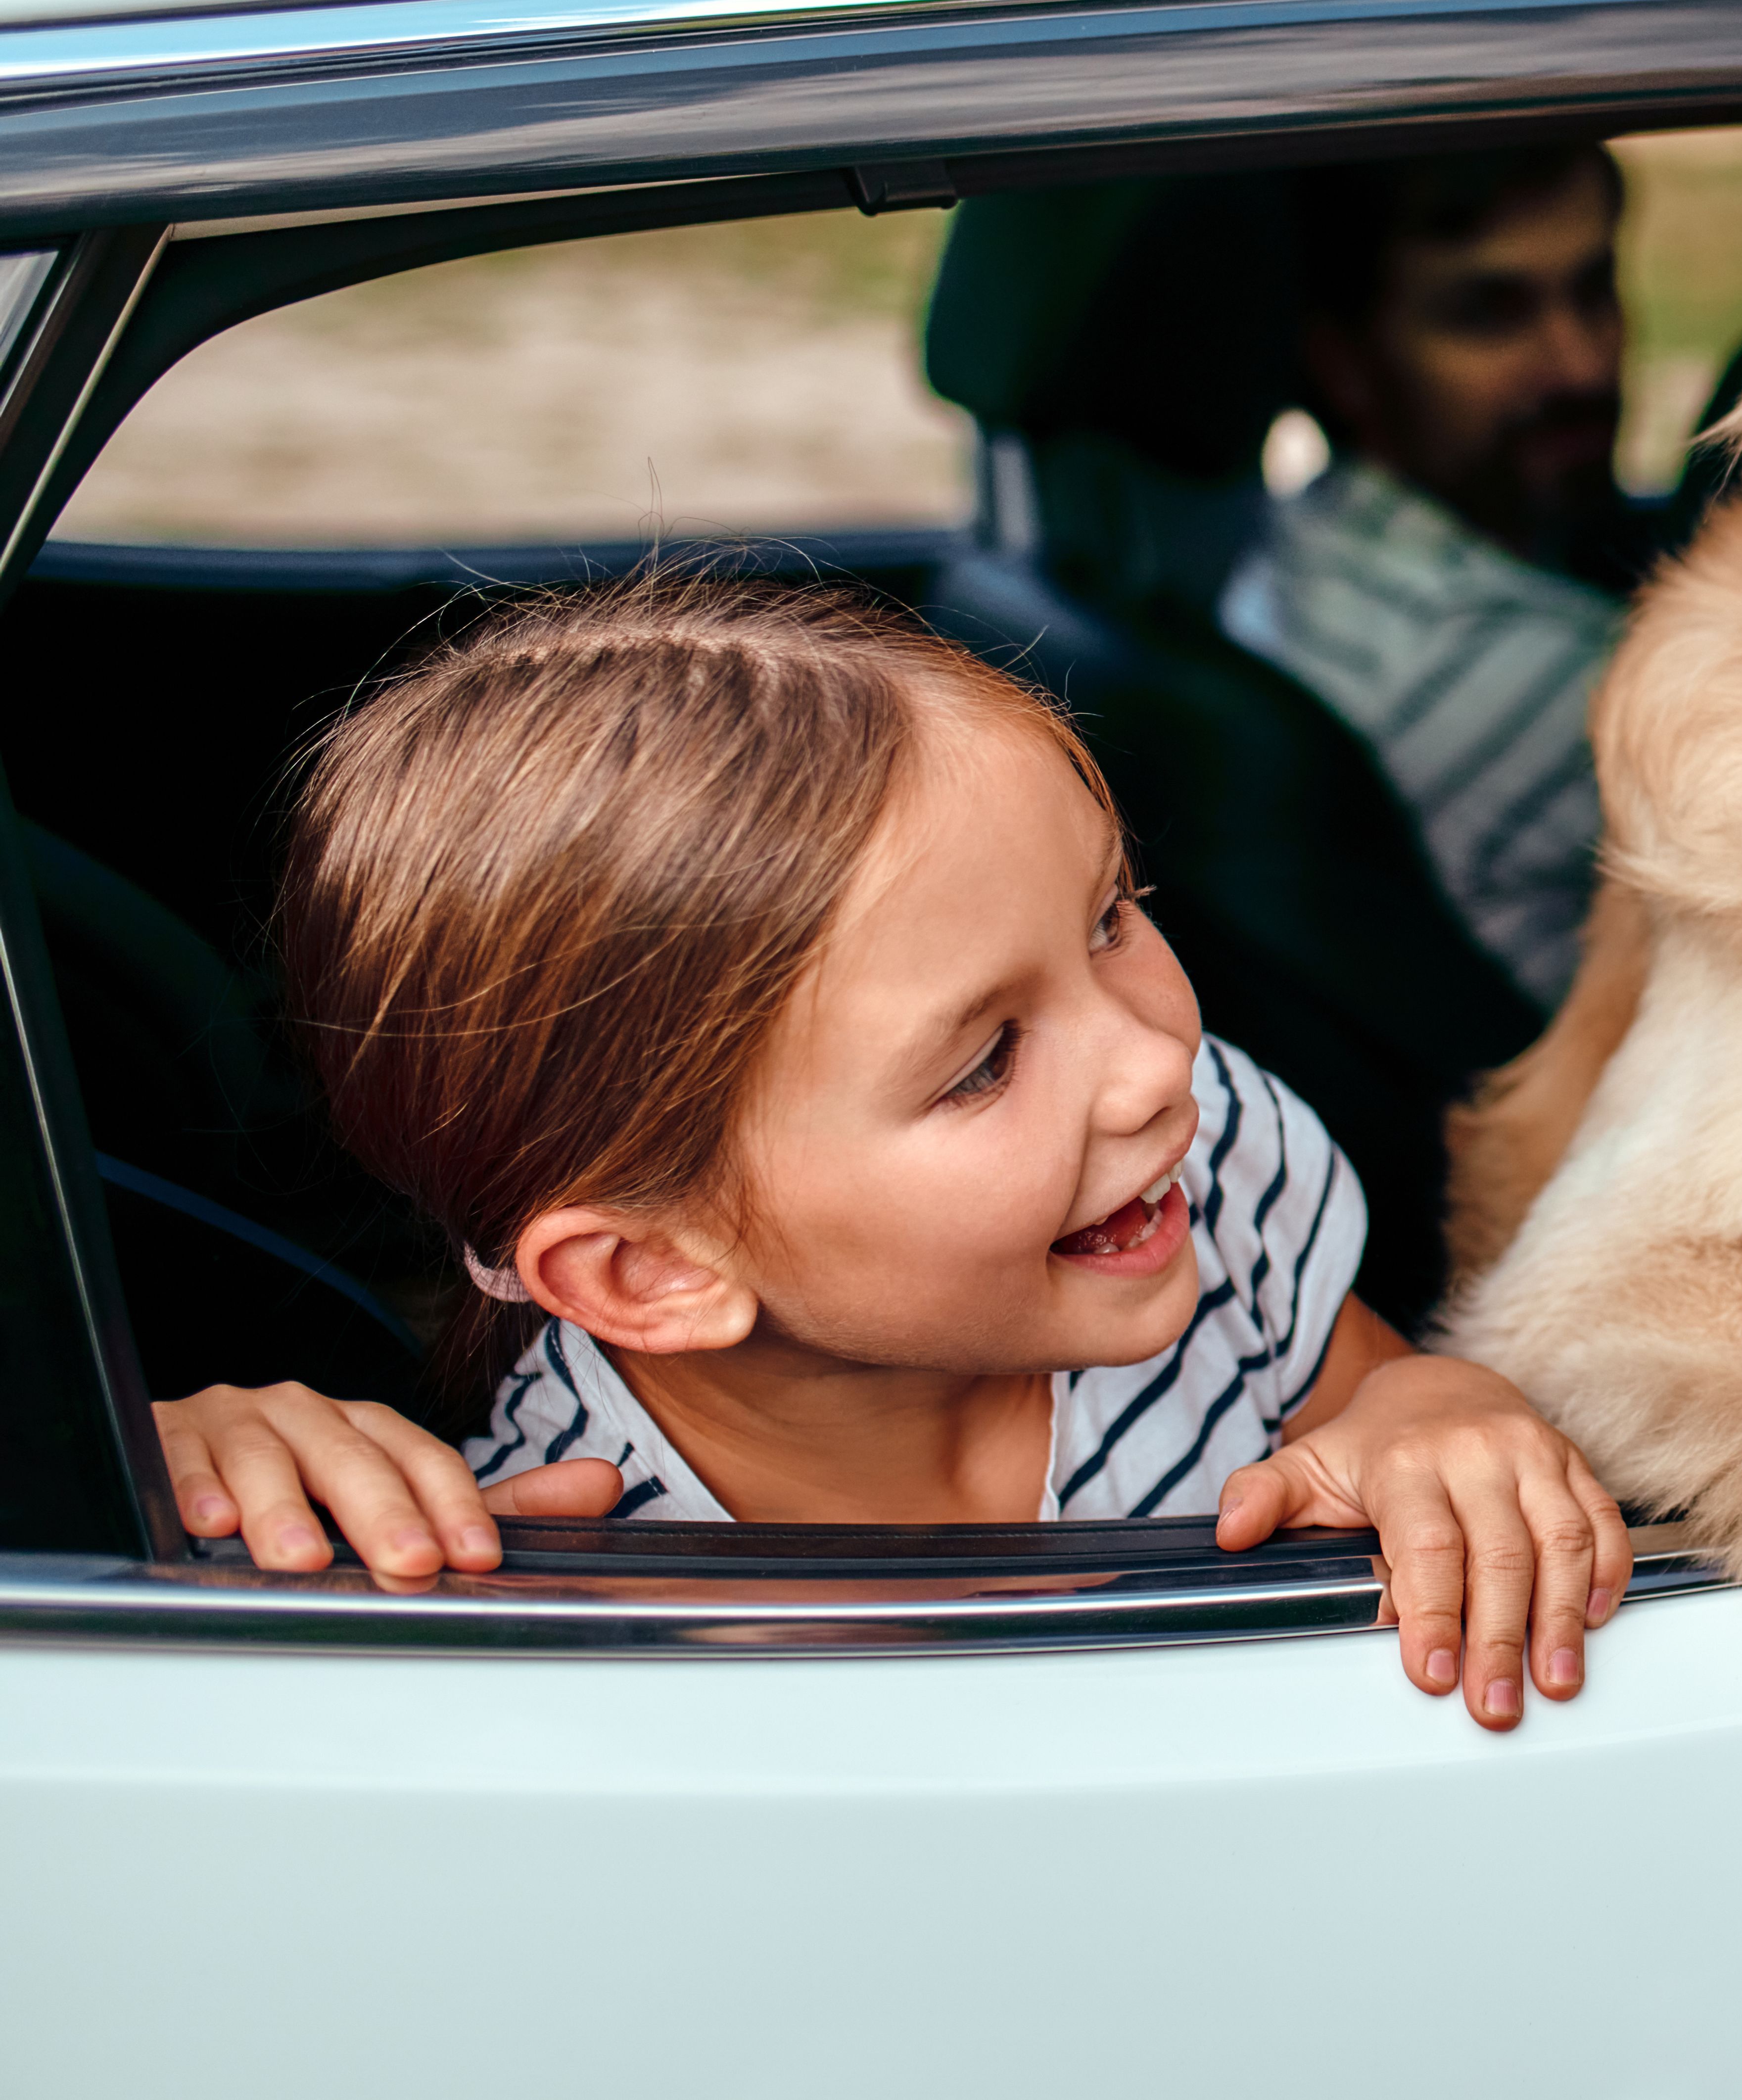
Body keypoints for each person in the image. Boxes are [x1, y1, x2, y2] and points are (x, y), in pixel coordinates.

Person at [148, 573, 1629, 1730]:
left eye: (1111, 915)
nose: (1153, 1059)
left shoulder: (1211, 1174)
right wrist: (186, 1497)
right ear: (653, 1267)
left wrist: (1443, 1413)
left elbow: (1368, 1395)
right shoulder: (560, 1541)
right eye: (983, 1059)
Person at [1220, 144, 1646, 1008]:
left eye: (1594, 289)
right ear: (1343, 363)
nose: (1581, 363)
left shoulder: (1308, 538)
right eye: (1491, 314)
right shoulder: (1557, 680)